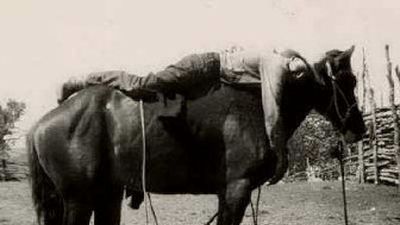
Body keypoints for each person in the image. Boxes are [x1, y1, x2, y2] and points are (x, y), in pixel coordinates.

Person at [60, 48, 318, 184]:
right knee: (143, 84)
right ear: (290, 61)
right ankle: (85, 80)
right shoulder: (275, 66)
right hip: (202, 68)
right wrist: (279, 149)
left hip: (208, 74)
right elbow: (272, 112)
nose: (297, 74)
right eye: (297, 69)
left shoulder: (279, 62)